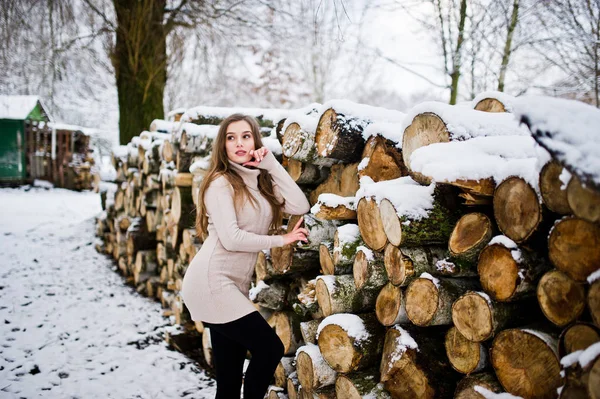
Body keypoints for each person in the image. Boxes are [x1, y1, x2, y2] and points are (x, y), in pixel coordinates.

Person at [181, 113, 310, 399]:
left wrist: (272, 164)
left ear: (255, 141)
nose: (238, 143)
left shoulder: (261, 182)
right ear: (222, 146)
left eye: (245, 136)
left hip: (233, 285)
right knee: (270, 348)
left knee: (227, 383)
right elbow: (231, 237)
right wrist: (282, 239)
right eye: (231, 137)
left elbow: (299, 205)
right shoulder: (220, 183)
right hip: (211, 282)